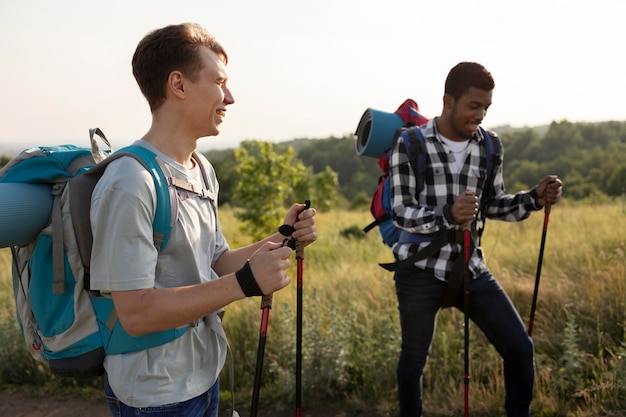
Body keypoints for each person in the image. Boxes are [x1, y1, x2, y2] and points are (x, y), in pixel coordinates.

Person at [89, 23, 317, 417]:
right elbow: (136, 313)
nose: (230, 97)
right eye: (219, 82)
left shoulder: (200, 170)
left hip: (203, 375)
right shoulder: (130, 183)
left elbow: (215, 262)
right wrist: (246, 283)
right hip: (155, 394)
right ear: (178, 84)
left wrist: (281, 239)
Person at [389, 62, 562, 417]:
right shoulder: (410, 143)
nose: (480, 115)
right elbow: (401, 211)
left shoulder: (490, 145)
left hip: (471, 267)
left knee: (519, 349)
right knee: (413, 361)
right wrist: (447, 215)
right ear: (448, 100)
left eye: (486, 108)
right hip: (419, 269)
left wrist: (534, 198)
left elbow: (494, 205)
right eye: (473, 106)